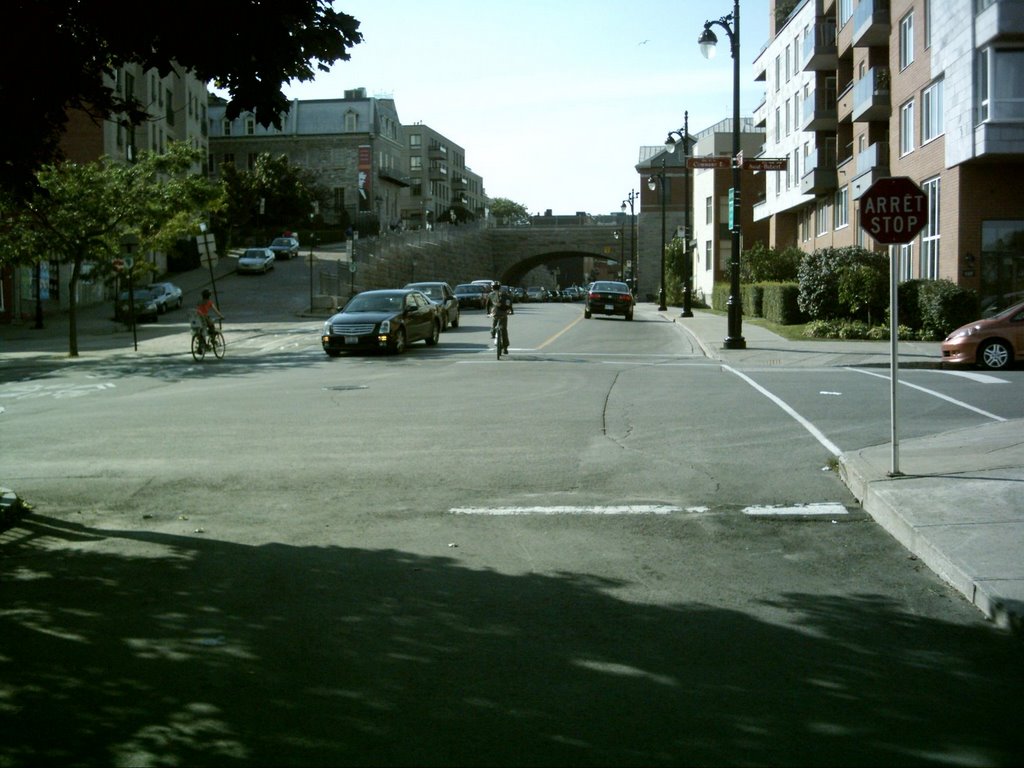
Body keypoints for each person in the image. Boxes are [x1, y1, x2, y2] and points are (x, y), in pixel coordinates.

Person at [487, 281, 512, 354]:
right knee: (504, 329)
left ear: (492, 287)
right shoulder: (504, 294)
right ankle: (505, 348)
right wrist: (510, 310)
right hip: (503, 314)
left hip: (495, 314)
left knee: (494, 325)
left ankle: (493, 334)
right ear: (499, 287)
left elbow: (488, 305)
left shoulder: (491, 295)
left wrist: (488, 313)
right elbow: (509, 303)